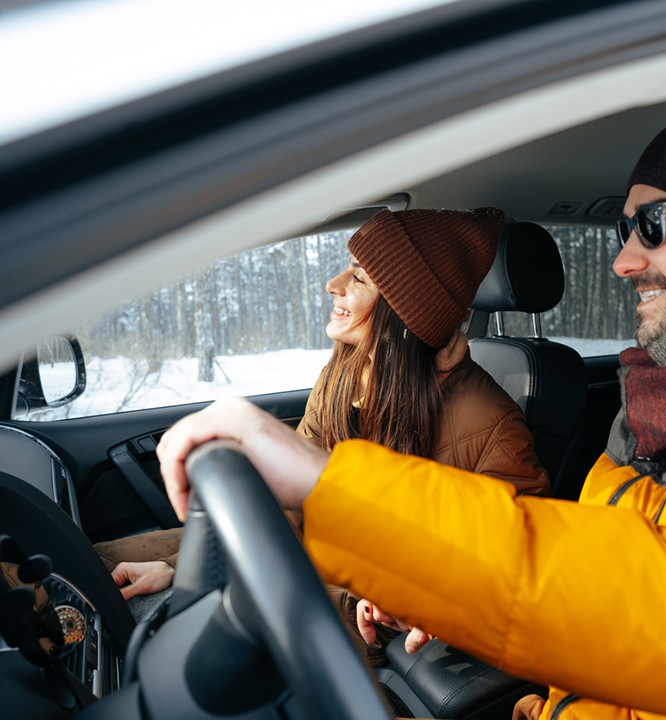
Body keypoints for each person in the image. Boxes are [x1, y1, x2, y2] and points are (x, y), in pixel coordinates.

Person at [155, 104, 666, 719]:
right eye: (621, 227)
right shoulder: (664, 407)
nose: (622, 258)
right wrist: (440, 594)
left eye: (656, 224)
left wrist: (331, 487)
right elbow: (605, 585)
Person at [100, 207, 549, 664]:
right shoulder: (342, 374)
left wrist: (406, 599)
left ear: (404, 310)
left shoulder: (494, 425)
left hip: (369, 621)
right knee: (92, 566)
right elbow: (290, 503)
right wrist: (183, 569)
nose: (332, 284)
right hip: (298, 561)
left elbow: (513, 570)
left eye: (359, 278)